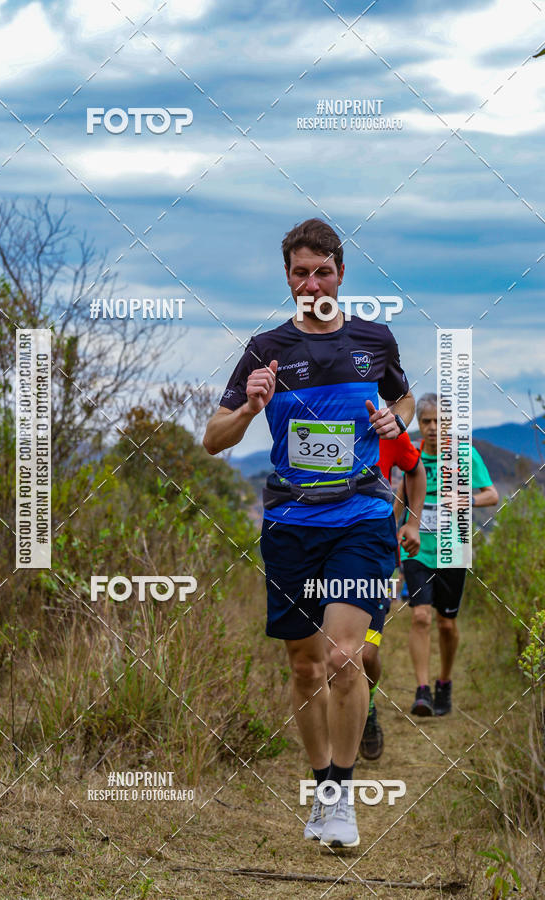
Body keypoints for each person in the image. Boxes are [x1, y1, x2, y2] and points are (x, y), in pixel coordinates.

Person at [203, 218, 415, 848]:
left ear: (341, 274)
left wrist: (390, 420)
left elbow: (403, 402)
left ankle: (343, 799)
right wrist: (249, 406)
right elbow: (213, 440)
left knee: (345, 658)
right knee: (304, 668)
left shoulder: (374, 340)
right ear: (288, 277)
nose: (312, 282)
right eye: (301, 272)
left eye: (323, 270)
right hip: (291, 524)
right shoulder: (266, 349)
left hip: (361, 518)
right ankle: (322, 788)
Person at [400, 393, 499, 717]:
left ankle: (444, 681)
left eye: (439, 422)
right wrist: (392, 537)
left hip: (453, 551)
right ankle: (422, 690)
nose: (432, 427)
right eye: (426, 421)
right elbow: (399, 500)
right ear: (419, 423)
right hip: (416, 550)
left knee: (446, 624)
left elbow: (492, 495)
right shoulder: (410, 454)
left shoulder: (465, 455)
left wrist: (465, 499)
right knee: (420, 616)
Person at [359, 434, 426, 760]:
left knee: (366, 655)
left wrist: (412, 524)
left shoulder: (385, 427)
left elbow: (415, 470)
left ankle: (367, 704)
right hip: (318, 549)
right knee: (329, 658)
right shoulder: (309, 408)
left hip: (372, 553)